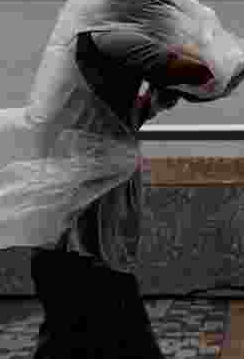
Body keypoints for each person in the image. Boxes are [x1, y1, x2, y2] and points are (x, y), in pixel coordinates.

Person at [29, 32, 215, 359]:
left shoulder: (91, 109)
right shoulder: (105, 41)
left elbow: (130, 114)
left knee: (65, 343)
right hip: (85, 256)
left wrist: (157, 96)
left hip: (75, 253)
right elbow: (200, 71)